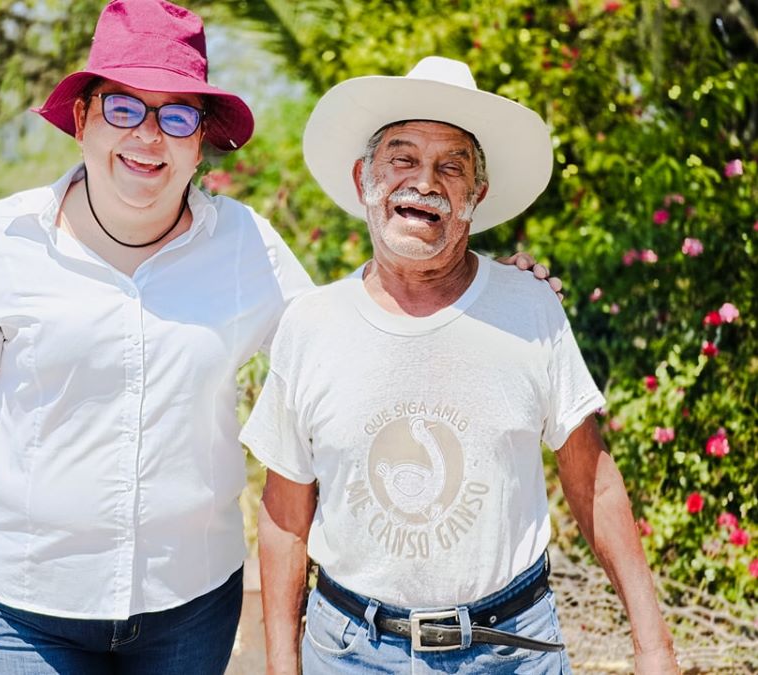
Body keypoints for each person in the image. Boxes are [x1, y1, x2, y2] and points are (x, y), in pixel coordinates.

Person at [0, 3, 561, 673]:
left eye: (177, 115)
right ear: (82, 117)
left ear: (200, 140)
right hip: (22, 606)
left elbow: (360, 339)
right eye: (124, 108)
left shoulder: (246, 246)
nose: (149, 137)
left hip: (188, 608)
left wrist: (478, 287)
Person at [240, 57, 679, 674]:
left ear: (476, 197)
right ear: (364, 177)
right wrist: (282, 666)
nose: (425, 181)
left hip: (512, 650)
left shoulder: (529, 307)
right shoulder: (311, 325)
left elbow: (594, 481)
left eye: (452, 166)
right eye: (402, 159)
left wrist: (652, 646)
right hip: (350, 653)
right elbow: (285, 513)